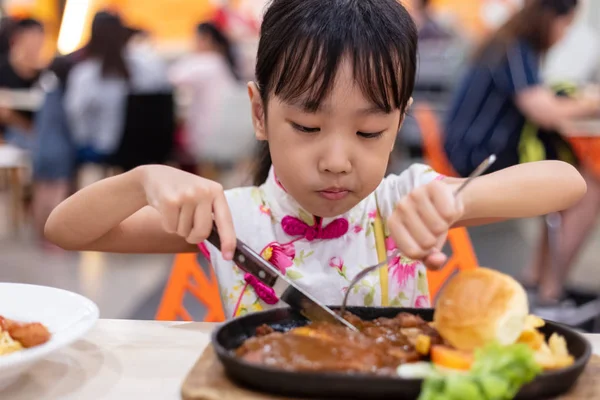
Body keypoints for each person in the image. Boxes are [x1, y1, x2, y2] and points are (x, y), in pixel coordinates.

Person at [46, 0, 586, 319]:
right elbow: (68, 230)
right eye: (307, 126)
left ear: (400, 121)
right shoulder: (229, 221)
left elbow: (565, 183)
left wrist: (453, 197)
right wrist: (142, 180)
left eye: (369, 130)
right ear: (260, 113)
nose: (335, 160)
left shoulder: (399, 201)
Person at [443, 0, 600, 306]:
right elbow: (542, 109)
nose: (564, 34)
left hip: (477, 147)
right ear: (549, 18)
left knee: (569, 174)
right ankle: (551, 292)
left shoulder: (509, 43)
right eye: (566, 25)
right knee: (586, 189)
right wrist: (594, 101)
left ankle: (538, 280)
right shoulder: (514, 47)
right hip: (478, 155)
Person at [65, 12, 170, 165]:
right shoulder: (145, 67)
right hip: (146, 148)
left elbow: (75, 117)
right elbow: (163, 89)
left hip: (104, 148)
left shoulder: (85, 75)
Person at [169, 22, 248, 178]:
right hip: (230, 136)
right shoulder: (225, 62)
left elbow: (170, 77)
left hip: (204, 138)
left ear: (205, 39)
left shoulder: (205, 63)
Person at [0, 18, 44, 148]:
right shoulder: (3, 71)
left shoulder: (46, 77)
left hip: (38, 149)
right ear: (17, 38)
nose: (35, 46)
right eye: (31, 39)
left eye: (39, 40)